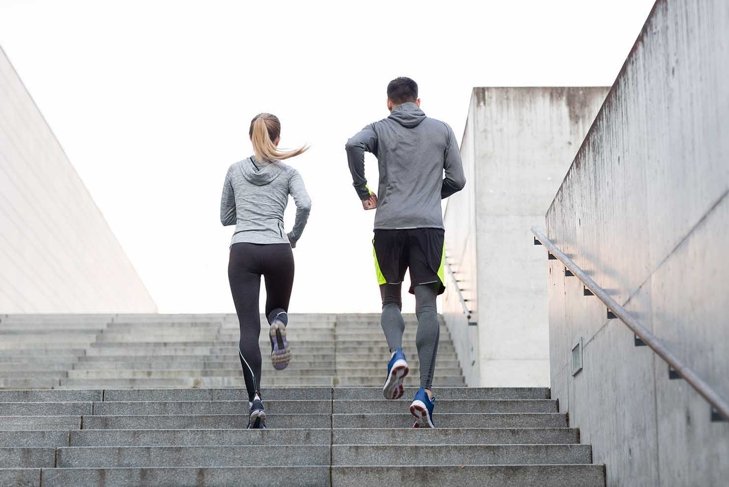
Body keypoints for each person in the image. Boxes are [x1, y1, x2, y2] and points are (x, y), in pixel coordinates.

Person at [345, 77, 466, 428]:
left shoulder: (379, 128)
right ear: (418, 100)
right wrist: (429, 194)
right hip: (429, 227)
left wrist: (362, 190)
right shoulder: (441, 130)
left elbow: (353, 145)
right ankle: (423, 392)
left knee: (390, 301)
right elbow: (457, 180)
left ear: (389, 103)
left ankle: (396, 354)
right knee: (427, 306)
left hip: (388, 226)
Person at [220, 113, 311, 429]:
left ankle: (255, 400)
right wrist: (293, 235)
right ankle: (279, 324)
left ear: (251, 138)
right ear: (277, 139)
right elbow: (306, 204)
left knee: (248, 329)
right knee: (276, 308)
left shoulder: (234, 170)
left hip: (243, 249)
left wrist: (247, 213)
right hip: (278, 248)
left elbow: (225, 216)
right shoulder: (289, 173)